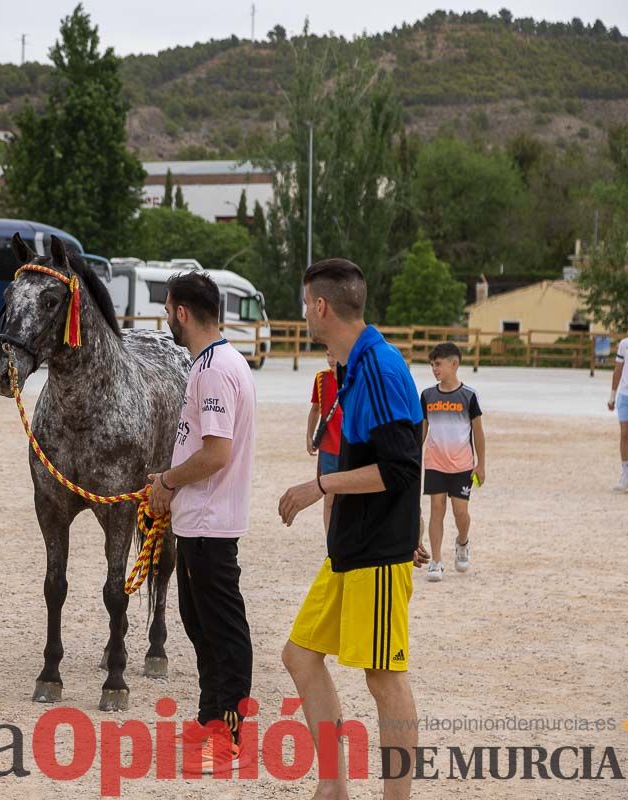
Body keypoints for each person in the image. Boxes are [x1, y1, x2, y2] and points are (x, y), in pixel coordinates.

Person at [277, 258, 429, 800]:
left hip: (379, 552)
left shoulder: (383, 368)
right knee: (299, 657)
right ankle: (334, 787)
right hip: (348, 547)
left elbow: (401, 469)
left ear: (320, 307)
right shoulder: (351, 365)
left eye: (303, 304)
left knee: (383, 679)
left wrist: (320, 486)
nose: (302, 314)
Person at [147, 271, 256, 773]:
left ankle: (231, 734)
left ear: (182, 313)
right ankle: (210, 717)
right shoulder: (216, 362)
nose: (166, 318)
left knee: (222, 628)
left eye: (168, 308)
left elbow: (215, 454)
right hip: (198, 519)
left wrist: (167, 482)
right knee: (200, 625)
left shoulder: (213, 369)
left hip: (210, 519)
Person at [421, 342, 485, 581]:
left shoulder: (468, 396)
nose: (434, 369)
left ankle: (462, 541)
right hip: (435, 463)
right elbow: (422, 431)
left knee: (460, 513)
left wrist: (481, 464)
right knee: (436, 509)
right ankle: (436, 562)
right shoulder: (427, 395)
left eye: (438, 364)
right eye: (432, 365)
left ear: (454, 364)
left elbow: (478, 433)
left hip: (462, 465)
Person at [307, 347, 343, 532]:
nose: (330, 359)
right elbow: (315, 409)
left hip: (348, 446)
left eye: (334, 354)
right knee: (329, 496)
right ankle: (331, 544)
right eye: (328, 354)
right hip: (328, 446)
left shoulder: (354, 377)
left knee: (348, 496)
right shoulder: (321, 378)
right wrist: (309, 435)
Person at [608, 306, 628, 492]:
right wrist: (612, 395)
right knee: (624, 435)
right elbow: (618, 370)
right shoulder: (625, 344)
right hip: (626, 395)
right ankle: (625, 475)